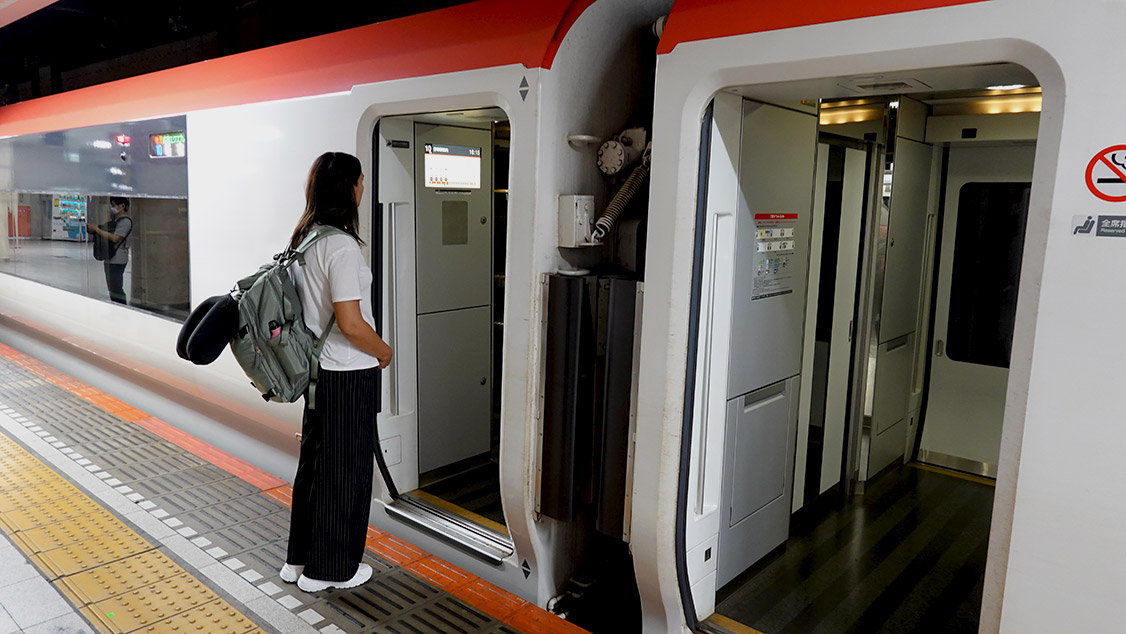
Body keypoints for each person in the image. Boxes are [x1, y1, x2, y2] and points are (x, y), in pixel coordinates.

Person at [279, 152, 393, 593]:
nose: (363, 189)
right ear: (348, 188)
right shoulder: (341, 246)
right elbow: (349, 322)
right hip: (348, 372)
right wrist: (383, 351)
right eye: (360, 182)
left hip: (317, 373)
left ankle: (299, 560)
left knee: (314, 464)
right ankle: (329, 570)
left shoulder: (304, 237)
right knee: (344, 471)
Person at [86, 197, 132, 304]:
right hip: (110, 257)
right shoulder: (114, 221)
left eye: (114, 205)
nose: (112, 208)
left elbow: (115, 238)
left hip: (118, 258)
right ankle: (115, 307)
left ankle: (121, 309)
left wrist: (97, 230)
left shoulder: (125, 221)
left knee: (116, 288)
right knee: (112, 288)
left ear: (122, 206)